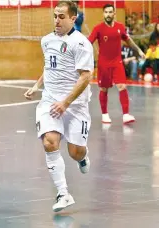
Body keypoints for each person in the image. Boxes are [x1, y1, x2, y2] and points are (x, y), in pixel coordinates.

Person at [24, 0, 93, 212]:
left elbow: (85, 77)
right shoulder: (46, 41)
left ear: (73, 18)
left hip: (75, 106)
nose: (57, 20)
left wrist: (66, 102)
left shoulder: (81, 44)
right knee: (50, 142)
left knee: (75, 152)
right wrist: (36, 86)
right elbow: (50, 66)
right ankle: (63, 193)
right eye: (55, 16)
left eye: (62, 17)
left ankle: (83, 157)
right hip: (49, 102)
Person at [88, 4, 145, 124]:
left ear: (114, 14)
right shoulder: (98, 28)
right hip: (103, 64)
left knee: (122, 86)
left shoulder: (120, 27)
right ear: (103, 14)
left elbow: (128, 40)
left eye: (110, 12)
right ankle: (104, 114)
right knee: (104, 89)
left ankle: (126, 115)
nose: (108, 14)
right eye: (106, 12)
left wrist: (139, 51)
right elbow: (88, 43)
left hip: (117, 62)